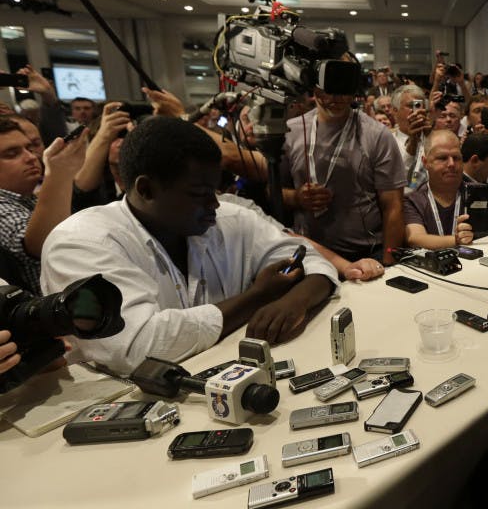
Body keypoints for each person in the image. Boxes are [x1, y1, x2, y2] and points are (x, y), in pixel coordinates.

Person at [40, 117, 339, 375]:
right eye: (199, 194)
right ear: (146, 189)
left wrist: (295, 301)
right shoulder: (80, 242)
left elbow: (312, 260)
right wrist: (257, 296)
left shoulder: (227, 219)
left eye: (214, 191)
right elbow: (138, 347)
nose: (214, 204)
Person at [282, 83, 406, 264]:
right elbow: (273, 192)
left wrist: (389, 263)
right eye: (329, 89)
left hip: (367, 253)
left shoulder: (376, 134)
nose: (337, 98)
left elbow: (393, 206)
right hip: (309, 253)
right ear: (316, 88)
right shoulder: (291, 131)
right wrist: (296, 198)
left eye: (343, 87)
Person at [0, 117, 88, 294]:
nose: (31, 157)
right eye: (12, 154)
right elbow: (42, 244)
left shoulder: (28, 197)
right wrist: (60, 171)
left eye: (30, 148)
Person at [403, 130, 475, 250]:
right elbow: (415, 238)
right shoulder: (413, 200)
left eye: (456, 158)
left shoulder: (479, 193)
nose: (451, 164)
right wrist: (457, 240)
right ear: (425, 162)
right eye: (442, 158)